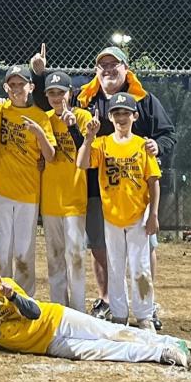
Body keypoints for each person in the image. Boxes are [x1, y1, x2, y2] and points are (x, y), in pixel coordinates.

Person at [31, 44, 174, 329]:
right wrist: (39, 76)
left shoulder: (143, 100)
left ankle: (147, 304)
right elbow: (55, 106)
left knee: (144, 249)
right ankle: (109, 300)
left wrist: (158, 146)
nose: (108, 70)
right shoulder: (87, 98)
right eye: (103, 66)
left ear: (125, 68)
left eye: (114, 65)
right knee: (99, 244)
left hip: (135, 187)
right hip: (98, 185)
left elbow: (167, 134)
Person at [0, 251, 191, 368]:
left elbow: (34, 313)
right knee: (104, 350)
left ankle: (176, 342)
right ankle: (163, 353)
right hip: (46, 346)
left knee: (110, 331)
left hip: (57, 319)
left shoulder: (5, 285)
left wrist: (12, 297)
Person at [77, 93, 161, 330]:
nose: (121, 118)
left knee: (140, 266)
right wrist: (89, 137)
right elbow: (82, 163)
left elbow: (153, 181)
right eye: (116, 113)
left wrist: (153, 214)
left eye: (126, 113)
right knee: (114, 265)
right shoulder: (102, 143)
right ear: (110, 117)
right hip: (112, 215)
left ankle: (144, 315)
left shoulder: (142, 145)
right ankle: (119, 313)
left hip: (138, 215)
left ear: (134, 116)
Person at [0, 65, 55, 296]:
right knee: (1, 249)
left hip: (28, 191)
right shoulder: (0, 110)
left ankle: (24, 299)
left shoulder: (40, 116)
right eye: (12, 84)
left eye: (21, 84)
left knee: (24, 251)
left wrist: (38, 132)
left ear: (31, 87)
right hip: (3, 188)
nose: (17, 89)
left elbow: (50, 155)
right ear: (6, 87)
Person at [39, 71, 92, 311]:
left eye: (61, 92)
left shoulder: (82, 116)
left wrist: (73, 128)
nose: (56, 97)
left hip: (74, 197)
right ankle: (60, 307)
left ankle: (79, 309)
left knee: (76, 256)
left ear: (70, 93)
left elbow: (86, 155)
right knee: (55, 257)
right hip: (50, 198)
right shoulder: (45, 119)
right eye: (52, 92)